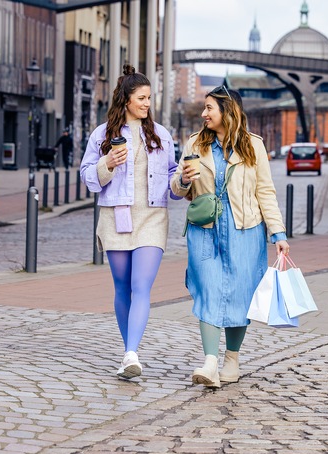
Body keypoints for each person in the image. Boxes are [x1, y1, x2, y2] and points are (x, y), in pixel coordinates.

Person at [171, 85, 290, 388]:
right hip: (204, 229)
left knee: (239, 296)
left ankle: (231, 361)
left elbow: (265, 192)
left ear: (227, 110)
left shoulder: (254, 146)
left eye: (209, 107)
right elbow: (178, 188)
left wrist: (278, 232)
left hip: (245, 230)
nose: (203, 113)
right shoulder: (195, 143)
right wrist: (183, 180)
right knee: (208, 290)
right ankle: (210, 362)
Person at [80, 65, 179, 380]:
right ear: (125, 99)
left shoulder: (161, 134)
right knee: (122, 288)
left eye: (149, 98)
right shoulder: (102, 135)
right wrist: (106, 163)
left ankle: (131, 352)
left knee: (141, 286)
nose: (147, 103)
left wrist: (185, 180)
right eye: (141, 98)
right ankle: (129, 353)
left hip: (152, 217)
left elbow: (174, 179)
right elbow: (88, 178)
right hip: (116, 217)